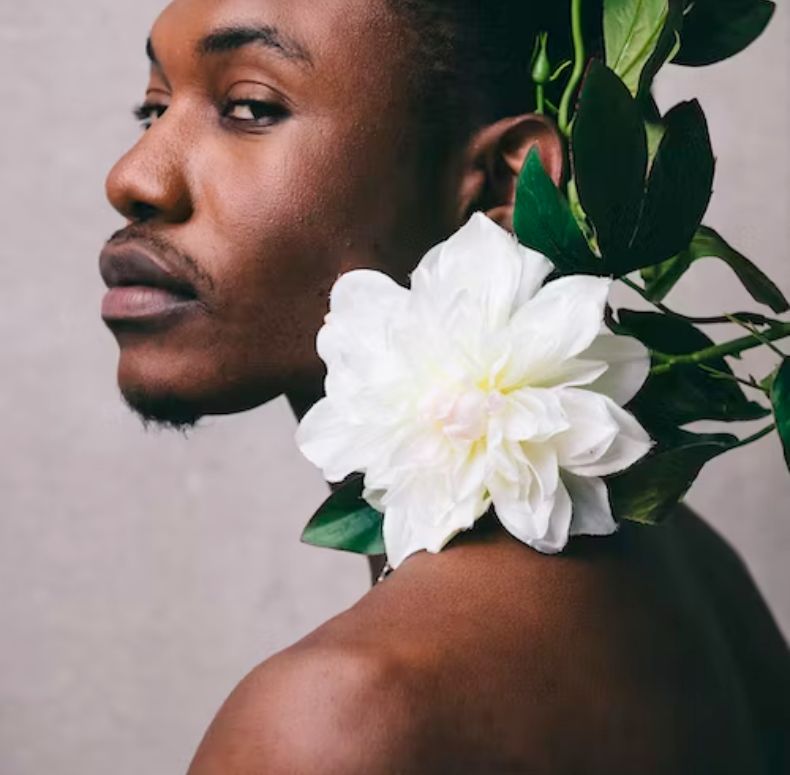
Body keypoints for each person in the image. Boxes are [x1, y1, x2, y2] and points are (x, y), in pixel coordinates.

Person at [99, 0, 790, 771]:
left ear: (506, 180)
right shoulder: (699, 575)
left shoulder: (334, 718)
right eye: (153, 108)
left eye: (250, 107)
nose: (132, 177)